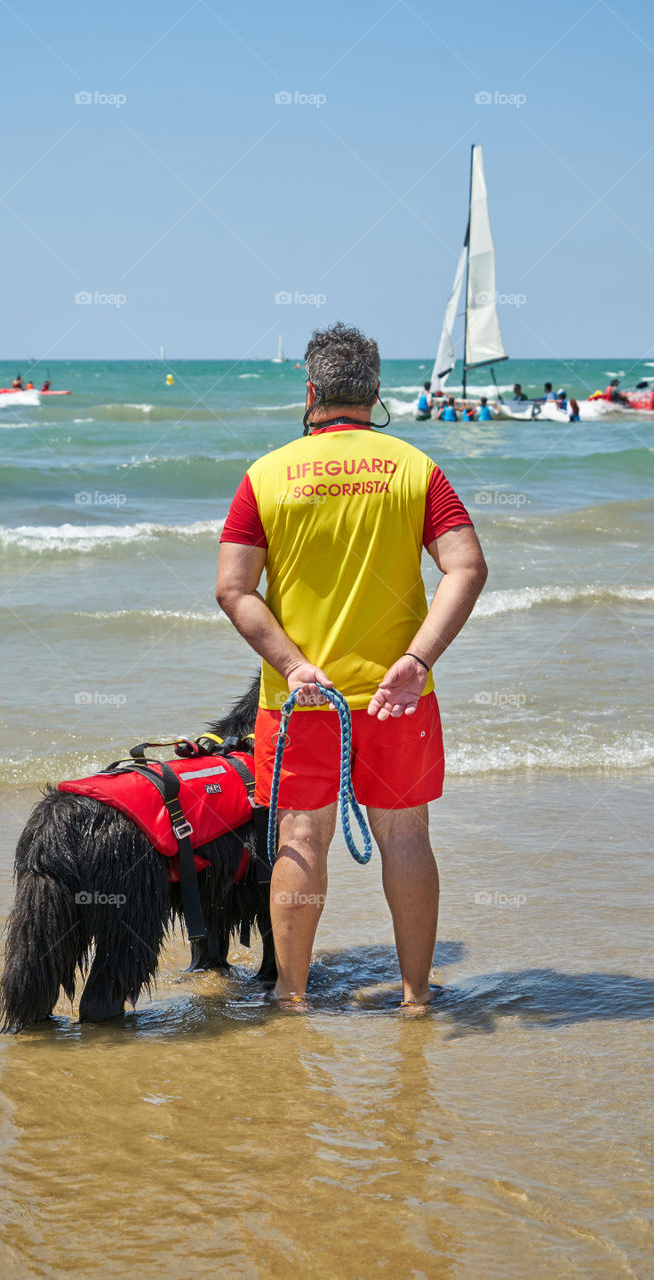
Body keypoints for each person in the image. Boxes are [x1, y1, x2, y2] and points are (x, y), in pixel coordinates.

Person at [216, 322, 487, 1009]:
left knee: (301, 837)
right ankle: (416, 997)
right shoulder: (413, 468)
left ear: (309, 391)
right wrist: (416, 660)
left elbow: (233, 588)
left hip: (303, 699)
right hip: (396, 697)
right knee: (404, 835)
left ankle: (291, 999)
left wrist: (293, 664)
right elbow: (466, 567)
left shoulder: (265, 475)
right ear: (373, 393)